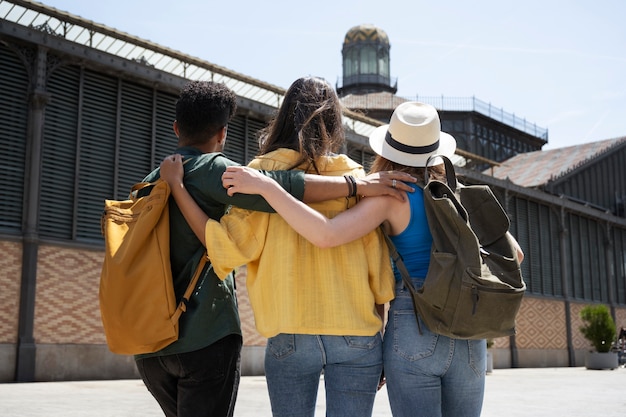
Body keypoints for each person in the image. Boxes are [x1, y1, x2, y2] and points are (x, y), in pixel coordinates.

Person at [167, 101, 525, 417]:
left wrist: (268, 186)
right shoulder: (461, 196)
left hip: (415, 327)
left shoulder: (390, 195)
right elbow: (515, 255)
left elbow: (327, 234)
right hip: (471, 336)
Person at [137, 80, 414, 417]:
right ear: (335, 123)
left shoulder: (261, 175)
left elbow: (224, 247)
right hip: (357, 331)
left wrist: (179, 188)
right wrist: (380, 335)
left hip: (289, 333)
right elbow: (380, 272)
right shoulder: (359, 179)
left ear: (283, 117)